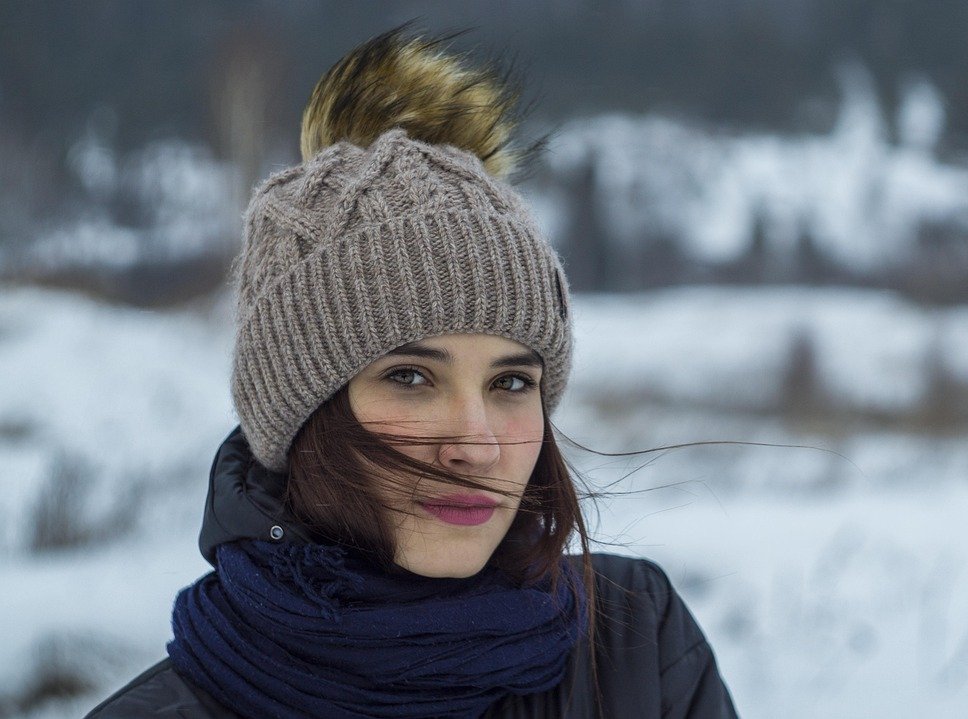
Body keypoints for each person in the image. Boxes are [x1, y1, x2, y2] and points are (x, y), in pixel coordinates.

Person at [85, 25, 738, 719]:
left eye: (511, 382)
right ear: (300, 410)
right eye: (411, 377)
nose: (477, 445)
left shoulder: (636, 647)